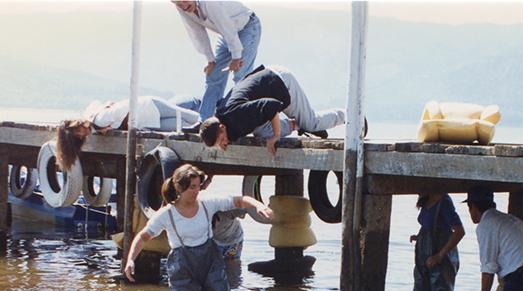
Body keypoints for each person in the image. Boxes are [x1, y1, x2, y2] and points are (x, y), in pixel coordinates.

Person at [124, 164, 273, 291]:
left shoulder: (207, 203)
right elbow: (143, 237)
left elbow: (239, 200)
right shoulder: (166, 214)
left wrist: (258, 205)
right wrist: (131, 259)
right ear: (180, 188)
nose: (196, 191)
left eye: (198, 186)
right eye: (192, 187)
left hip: (210, 261)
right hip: (183, 266)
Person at [199, 64, 346, 156]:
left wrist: (276, 136)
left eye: (222, 139)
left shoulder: (236, 115)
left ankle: (349, 116)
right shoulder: (221, 116)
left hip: (280, 83)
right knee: (262, 133)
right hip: (266, 86)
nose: (223, 143)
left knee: (312, 122)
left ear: (222, 127)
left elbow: (270, 105)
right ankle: (297, 124)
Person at [172, 0, 262, 123]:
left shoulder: (210, 3)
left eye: (185, 1)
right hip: (226, 33)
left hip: (247, 27)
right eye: (178, 4)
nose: (184, 6)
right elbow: (196, 32)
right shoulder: (183, 8)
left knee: (241, 76)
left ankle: (241, 120)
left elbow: (227, 27)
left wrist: (236, 56)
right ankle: (205, 121)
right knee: (214, 75)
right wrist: (210, 59)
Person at [55, 97, 200, 171]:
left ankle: (218, 119)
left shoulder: (99, 120)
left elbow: (120, 110)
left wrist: (113, 126)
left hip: (148, 106)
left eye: (78, 131)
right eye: (78, 136)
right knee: (184, 125)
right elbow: (98, 104)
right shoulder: (94, 123)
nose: (82, 134)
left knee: (193, 118)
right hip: (148, 121)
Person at [410, 192, 465, 291]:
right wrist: (420, 237)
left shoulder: (444, 202)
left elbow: (460, 232)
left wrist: (439, 256)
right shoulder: (426, 198)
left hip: (440, 259)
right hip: (423, 258)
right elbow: (430, 224)